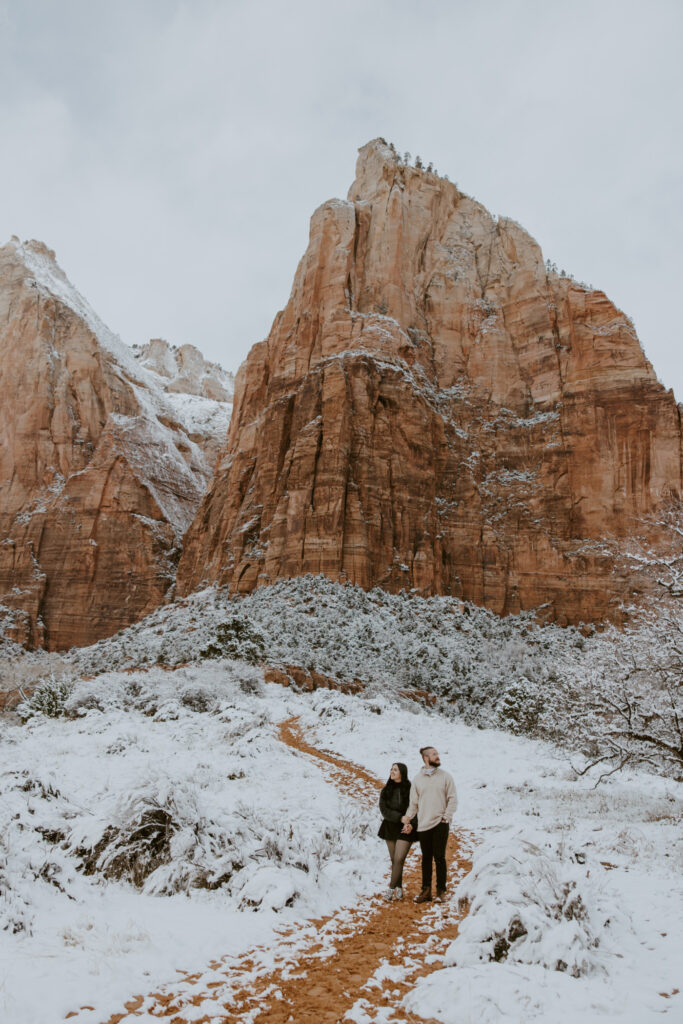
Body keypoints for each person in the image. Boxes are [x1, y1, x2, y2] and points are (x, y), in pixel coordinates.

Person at [401, 745, 457, 903]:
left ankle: (441, 891)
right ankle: (426, 891)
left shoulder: (446, 777)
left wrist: (447, 816)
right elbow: (414, 803)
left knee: (439, 857)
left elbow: (453, 798)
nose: (437, 756)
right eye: (434, 754)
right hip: (423, 824)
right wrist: (408, 818)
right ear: (426, 758)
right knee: (426, 858)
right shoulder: (418, 779)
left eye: (437, 753)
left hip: (440, 823)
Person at [377, 762, 416, 901]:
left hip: (406, 828)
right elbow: (384, 810)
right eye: (391, 769)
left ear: (402, 773)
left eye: (395, 770)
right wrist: (399, 818)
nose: (392, 772)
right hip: (390, 826)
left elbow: (416, 807)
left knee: (399, 858)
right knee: (395, 860)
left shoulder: (411, 789)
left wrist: (410, 823)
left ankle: (391, 889)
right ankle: (399, 887)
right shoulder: (386, 789)